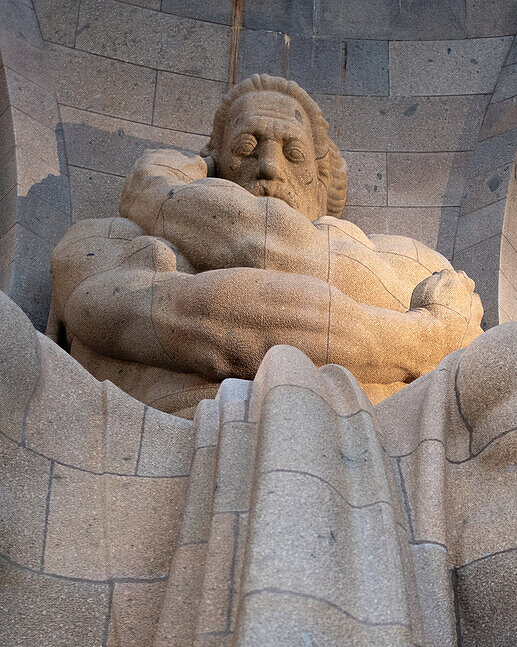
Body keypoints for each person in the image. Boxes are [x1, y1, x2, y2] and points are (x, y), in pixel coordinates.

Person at [50, 73, 482, 413]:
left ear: (324, 177)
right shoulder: (105, 237)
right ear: (210, 163)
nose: (270, 167)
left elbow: (475, 373)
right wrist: (426, 335)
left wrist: (156, 193)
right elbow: (225, 321)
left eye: (293, 153)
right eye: (247, 146)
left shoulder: (412, 260)